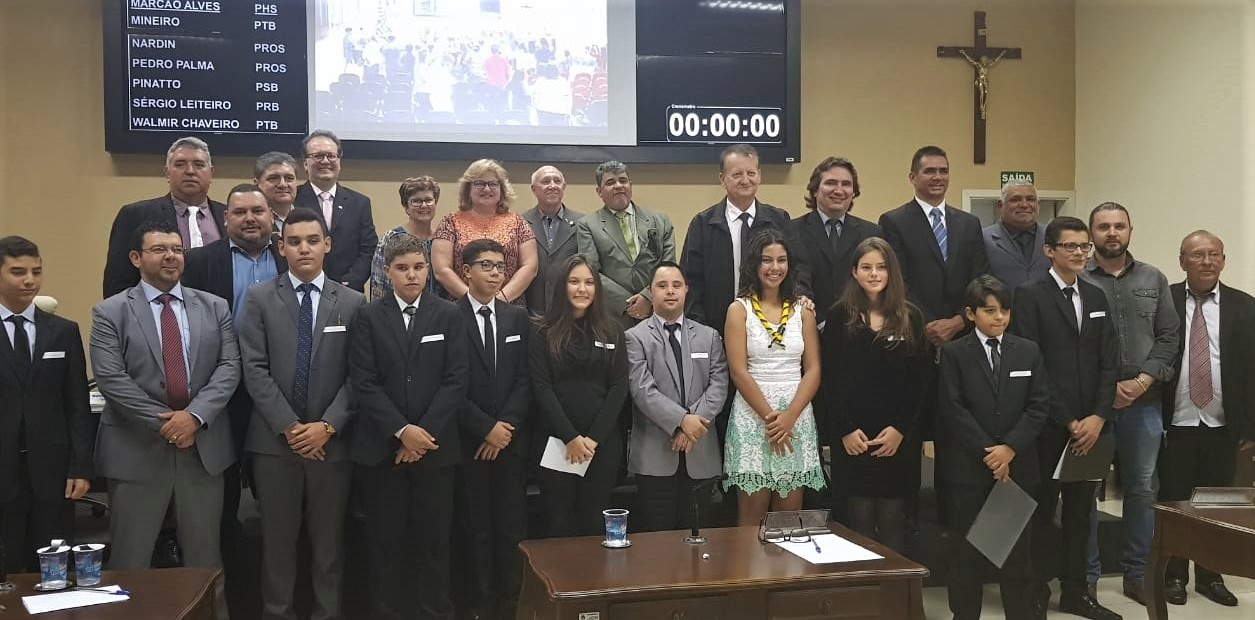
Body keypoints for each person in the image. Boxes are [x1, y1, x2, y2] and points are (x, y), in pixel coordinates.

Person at [90, 220, 240, 570]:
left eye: (177, 249)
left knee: (205, 560)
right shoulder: (110, 312)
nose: (171, 256)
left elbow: (230, 366)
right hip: (136, 449)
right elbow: (111, 379)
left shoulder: (215, 306)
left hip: (202, 449)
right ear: (136, 258)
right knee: (131, 559)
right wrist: (168, 425)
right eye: (159, 250)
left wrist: (195, 416)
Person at [237, 209, 364, 620]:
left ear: (327, 244)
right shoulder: (258, 298)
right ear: (282, 247)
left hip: (333, 444)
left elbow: (359, 376)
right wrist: (291, 428)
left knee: (329, 546)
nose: (304, 248)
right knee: (277, 547)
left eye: (312, 240)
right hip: (276, 446)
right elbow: (253, 369)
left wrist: (327, 426)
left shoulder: (354, 302)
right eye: (295, 242)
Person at [349, 235, 468, 620]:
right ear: (388, 272)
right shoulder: (368, 316)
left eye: (418, 267)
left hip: (435, 450)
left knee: (435, 543)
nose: (412, 275)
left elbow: (456, 380)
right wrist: (402, 431)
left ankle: (436, 612)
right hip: (384, 452)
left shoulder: (448, 314)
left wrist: (421, 435)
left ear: (428, 269)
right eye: (402, 268)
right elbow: (363, 381)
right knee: (385, 544)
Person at [1010, 216, 1121, 620]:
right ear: (1049, 250)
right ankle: (1035, 590)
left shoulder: (1095, 297)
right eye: (1069, 246)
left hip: (1091, 429)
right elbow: (1030, 362)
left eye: (1083, 247)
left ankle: (1076, 592)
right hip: (1046, 426)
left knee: (1081, 513)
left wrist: (1096, 417)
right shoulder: (1028, 295)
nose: (1078, 253)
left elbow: (1110, 362)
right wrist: (1068, 419)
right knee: (1040, 512)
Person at [181, 183, 284, 617]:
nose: (249, 219)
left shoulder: (290, 255)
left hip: (279, 392)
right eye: (239, 211)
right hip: (220, 392)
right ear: (226, 220)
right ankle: (230, 597)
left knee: (276, 498)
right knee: (223, 498)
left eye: (257, 211)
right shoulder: (201, 262)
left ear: (271, 216)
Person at [1079, 202, 1179, 605]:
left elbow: (1169, 336)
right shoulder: (1078, 280)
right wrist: (1107, 391)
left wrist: (1141, 381)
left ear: (1130, 231)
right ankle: (1084, 576)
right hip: (1093, 407)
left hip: (1144, 402)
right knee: (1084, 490)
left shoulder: (1153, 278)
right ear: (1091, 235)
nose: (1112, 233)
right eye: (1103, 227)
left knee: (1141, 487)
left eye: (1119, 226)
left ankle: (1137, 574)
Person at [937, 275, 1049, 620]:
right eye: (989, 310)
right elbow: (952, 408)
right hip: (970, 469)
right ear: (971, 314)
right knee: (966, 554)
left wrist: (1009, 449)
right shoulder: (955, 353)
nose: (998, 317)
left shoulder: (1027, 350)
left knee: (1016, 555)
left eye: (1004, 310)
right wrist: (990, 451)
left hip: (1016, 468)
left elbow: (1038, 405)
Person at [1158, 230, 1254, 608]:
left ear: (1224, 260)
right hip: (1175, 422)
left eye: (1214, 254)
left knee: (1216, 502)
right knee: (1176, 499)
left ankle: (1211, 575)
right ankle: (1175, 575)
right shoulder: (1164, 301)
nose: (1207, 261)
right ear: (1182, 261)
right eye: (1197, 255)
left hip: (1223, 425)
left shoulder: (1245, 306)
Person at [820, 237, 929, 552]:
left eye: (881, 267)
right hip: (853, 439)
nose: (874, 274)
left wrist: (900, 431)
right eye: (866, 267)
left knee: (895, 521)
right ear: (854, 272)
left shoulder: (911, 316)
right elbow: (830, 380)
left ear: (891, 272)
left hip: (896, 440)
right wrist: (844, 430)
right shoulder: (840, 316)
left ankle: (893, 598)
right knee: (858, 522)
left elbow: (920, 383)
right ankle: (861, 596)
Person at [0, 236, 94, 572]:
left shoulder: (62, 331)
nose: (29, 280)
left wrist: (81, 466)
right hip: (4, 464)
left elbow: (77, 405)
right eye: (17, 272)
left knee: (52, 561)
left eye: (36, 272)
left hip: (52, 468)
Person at [453, 239, 532, 620]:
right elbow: (450, 384)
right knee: (476, 528)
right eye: (486, 265)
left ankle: (512, 602)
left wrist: (506, 429)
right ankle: (480, 603)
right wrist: (485, 429)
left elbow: (525, 379)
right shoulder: (449, 317)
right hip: (469, 441)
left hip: (510, 443)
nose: (496, 271)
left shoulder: (517, 318)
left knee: (510, 527)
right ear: (466, 270)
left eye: (501, 265)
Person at [723, 229, 824, 525]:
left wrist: (789, 417)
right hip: (754, 418)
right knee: (751, 520)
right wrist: (771, 418)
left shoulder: (802, 311)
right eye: (767, 260)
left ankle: (787, 573)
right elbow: (738, 371)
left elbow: (814, 369)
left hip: (795, 417)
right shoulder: (738, 310)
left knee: (789, 519)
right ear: (754, 265)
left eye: (781, 260)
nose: (774, 267)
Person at [625, 261, 729, 533]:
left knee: (698, 537)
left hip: (700, 450)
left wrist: (694, 425)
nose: (670, 291)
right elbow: (642, 390)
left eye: (676, 285)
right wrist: (682, 420)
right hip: (655, 454)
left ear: (686, 290)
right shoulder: (634, 338)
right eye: (662, 286)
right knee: (658, 540)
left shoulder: (709, 336)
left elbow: (719, 384)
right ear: (650, 291)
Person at [530, 255, 628, 537]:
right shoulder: (542, 331)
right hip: (556, 443)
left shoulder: (613, 330)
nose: (581, 289)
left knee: (594, 521)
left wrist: (592, 439)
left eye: (588, 282)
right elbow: (542, 387)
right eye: (574, 282)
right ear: (562, 287)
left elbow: (618, 387)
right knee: (558, 521)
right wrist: (570, 438)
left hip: (601, 445)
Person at [682, 144, 796, 335]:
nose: (745, 180)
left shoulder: (779, 220)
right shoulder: (703, 224)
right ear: (722, 179)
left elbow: (795, 271)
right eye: (736, 175)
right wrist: (703, 332)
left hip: (771, 332)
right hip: (716, 331)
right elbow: (691, 284)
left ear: (759, 175)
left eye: (751, 173)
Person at [103, 137, 226, 297]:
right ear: (167, 173)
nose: (190, 171)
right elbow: (118, 282)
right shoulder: (135, 215)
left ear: (211, 173)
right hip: (158, 316)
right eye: (180, 164)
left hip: (221, 316)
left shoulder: (229, 216)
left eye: (199, 164)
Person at [577, 160, 676, 327]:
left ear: (630, 185)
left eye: (622, 180)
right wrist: (629, 305)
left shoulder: (660, 221)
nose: (618, 185)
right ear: (599, 191)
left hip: (657, 312)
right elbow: (592, 272)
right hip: (613, 316)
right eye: (610, 182)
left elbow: (669, 265)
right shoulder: (587, 225)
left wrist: (647, 296)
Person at [431, 159, 538, 308]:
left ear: (502, 189)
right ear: (468, 189)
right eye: (479, 184)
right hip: (461, 308)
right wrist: (474, 302)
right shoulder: (450, 222)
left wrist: (499, 301)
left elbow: (530, 267)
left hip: (509, 307)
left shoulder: (518, 222)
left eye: (493, 184)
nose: (487, 189)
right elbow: (442, 270)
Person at [793, 157, 883, 318]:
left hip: (857, 328)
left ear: (854, 192)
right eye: (831, 183)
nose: (839, 190)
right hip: (807, 326)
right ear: (814, 190)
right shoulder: (791, 230)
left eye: (846, 184)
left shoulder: (872, 233)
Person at [294, 129, 379, 292]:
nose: (325, 161)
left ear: (339, 162)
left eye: (331, 156)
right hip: (302, 288)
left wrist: (350, 281)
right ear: (305, 163)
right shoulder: (293, 199)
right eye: (318, 156)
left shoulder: (359, 203)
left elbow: (369, 248)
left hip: (348, 292)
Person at [521, 165, 582, 315]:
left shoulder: (582, 223)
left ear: (564, 187)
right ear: (534, 189)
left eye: (557, 181)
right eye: (546, 181)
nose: (552, 186)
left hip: (570, 312)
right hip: (531, 312)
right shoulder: (520, 222)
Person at [369, 175, 442, 301]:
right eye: (417, 201)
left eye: (429, 200)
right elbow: (379, 285)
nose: (424, 205)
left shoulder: (442, 239)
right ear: (406, 207)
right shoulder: (391, 238)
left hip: (440, 314)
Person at [983, 180, 1049, 289]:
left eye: (1030, 199)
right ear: (1000, 205)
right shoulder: (983, 239)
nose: (1024, 205)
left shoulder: (1053, 236)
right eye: (1015, 199)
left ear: (1038, 205)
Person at [253, 152, 299, 232]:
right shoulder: (250, 220)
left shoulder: (309, 218)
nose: (283, 185)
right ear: (257, 184)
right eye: (274, 178)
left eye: (289, 178)